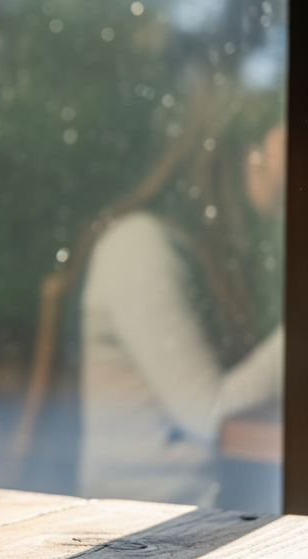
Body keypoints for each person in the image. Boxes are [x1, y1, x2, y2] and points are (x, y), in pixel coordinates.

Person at [76, 77, 285, 507]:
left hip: (208, 525)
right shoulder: (140, 246)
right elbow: (207, 414)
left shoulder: (217, 258)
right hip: (145, 536)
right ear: (248, 152)